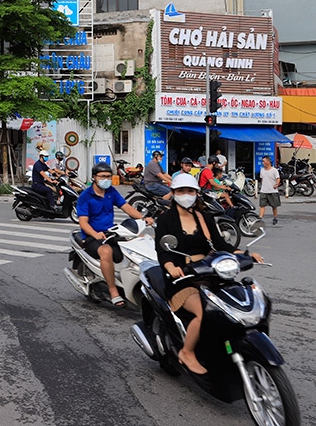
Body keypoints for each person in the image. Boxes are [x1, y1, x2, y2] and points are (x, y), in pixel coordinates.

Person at [155, 173, 264, 375]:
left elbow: (220, 244)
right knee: (203, 311)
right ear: (173, 194)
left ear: (197, 194)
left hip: (210, 271)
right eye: (181, 191)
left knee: (234, 305)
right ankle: (187, 353)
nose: (185, 195)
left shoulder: (204, 217)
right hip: (183, 277)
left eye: (190, 191)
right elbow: (163, 251)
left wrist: (244, 254)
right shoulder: (166, 220)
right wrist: (170, 266)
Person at [77, 162, 154, 307]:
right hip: (92, 236)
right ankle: (113, 291)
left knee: (141, 241)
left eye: (108, 176)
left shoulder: (111, 191)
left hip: (112, 232)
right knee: (106, 252)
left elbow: (126, 208)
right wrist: (95, 234)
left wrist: (143, 219)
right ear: (94, 177)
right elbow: (83, 223)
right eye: (102, 176)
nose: (106, 179)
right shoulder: (85, 196)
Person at [258, 155, 282, 225]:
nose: (263, 163)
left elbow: (278, 178)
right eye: (262, 161)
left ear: (268, 161)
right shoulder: (262, 170)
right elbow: (262, 179)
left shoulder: (274, 170)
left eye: (264, 161)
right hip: (263, 190)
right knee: (262, 205)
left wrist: (276, 184)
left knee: (274, 206)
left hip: (272, 191)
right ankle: (260, 217)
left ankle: (275, 217)